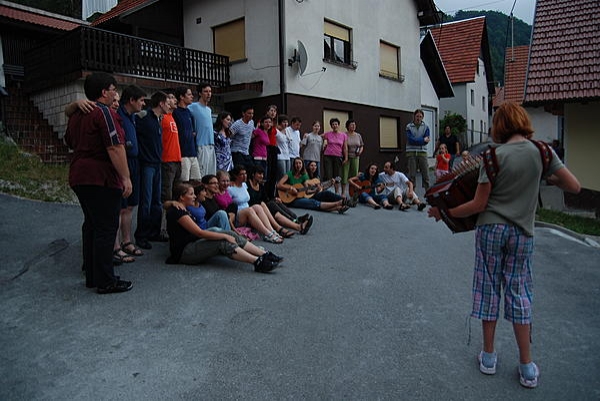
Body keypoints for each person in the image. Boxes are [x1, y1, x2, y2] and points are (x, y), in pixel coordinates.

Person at [427, 102, 581, 389]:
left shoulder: (492, 156)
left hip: (490, 229)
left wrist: (444, 212)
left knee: (488, 288)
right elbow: (574, 186)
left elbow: (478, 204)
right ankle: (527, 366)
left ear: (499, 126)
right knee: (519, 292)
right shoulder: (543, 151)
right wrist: (544, 175)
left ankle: (488, 357)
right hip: (523, 232)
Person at [64, 72, 133, 294]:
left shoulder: (77, 115)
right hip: (100, 177)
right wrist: (126, 177)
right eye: (113, 89)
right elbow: (114, 147)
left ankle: (92, 273)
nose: (116, 94)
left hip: (79, 175)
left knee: (92, 224)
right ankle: (106, 280)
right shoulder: (104, 113)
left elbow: (69, 141)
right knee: (106, 227)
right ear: (104, 92)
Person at [166, 182, 282, 273]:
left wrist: (225, 234)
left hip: (193, 242)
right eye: (191, 194)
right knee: (222, 241)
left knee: (228, 233)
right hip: (185, 252)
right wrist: (224, 237)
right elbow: (199, 233)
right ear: (181, 197)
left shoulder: (181, 207)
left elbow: (165, 204)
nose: (194, 196)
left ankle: (263, 254)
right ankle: (257, 262)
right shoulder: (178, 212)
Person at [135, 92, 169, 247]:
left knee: (157, 201)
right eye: (167, 102)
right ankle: (141, 235)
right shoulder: (143, 118)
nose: (169, 105)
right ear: (161, 103)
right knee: (146, 202)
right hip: (147, 164)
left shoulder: (158, 119)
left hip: (157, 164)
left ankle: (154, 232)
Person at [214, 170, 285, 243]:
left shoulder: (227, 190)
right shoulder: (218, 192)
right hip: (230, 219)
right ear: (218, 182)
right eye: (223, 181)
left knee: (258, 206)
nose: (226, 183)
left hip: (235, 214)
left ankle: (271, 230)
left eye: (227, 181)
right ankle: (268, 234)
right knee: (250, 210)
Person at [117, 85, 148, 252]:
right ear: (131, 100)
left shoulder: (133, 117)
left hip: (135, 162)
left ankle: (127, 241)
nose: (143, 104)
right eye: (141, 100)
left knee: (130, 205)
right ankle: (116, 246)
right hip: (124, 162)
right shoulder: (118, 116)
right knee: (120, 206)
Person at [246, 165, 313, 235]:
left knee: (276, 202)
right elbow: (250, 200)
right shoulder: (247, 185)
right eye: (259, 174)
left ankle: (295, 219)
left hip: (263, 206)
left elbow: (266, 198)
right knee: (274, 210)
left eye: (262, 174)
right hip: (256, 208)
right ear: (253, 174)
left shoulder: (260, 186)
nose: (262, 176)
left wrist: (275, 199)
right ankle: (298, 225)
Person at [278, 157, 349, 213]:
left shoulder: (304, 176)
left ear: (302, 165)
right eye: (296, 163)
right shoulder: (289, 174)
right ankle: (338, 203)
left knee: (321, 196)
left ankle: (338, 207)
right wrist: (290, 188)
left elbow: (307, 191)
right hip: (291, 199)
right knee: (313, 203)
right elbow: (279, 185)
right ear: (294, 165)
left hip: (301, 197)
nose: (298, 165)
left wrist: (316, 190)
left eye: (300, 163)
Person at [159, 91, 181, 241]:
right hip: (167, 161)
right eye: (171, 98)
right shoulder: (163, 118)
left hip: (177, 159)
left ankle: (173, 226)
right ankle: (163, 228)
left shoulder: (172, 117)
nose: (174, 100)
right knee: (166, 196)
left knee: (176, 194)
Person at [172, 86, 200, 181]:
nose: (192, 96)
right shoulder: (175, 112)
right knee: (184, 181)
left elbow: (193, 131)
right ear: (181, 97)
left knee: (197, 180)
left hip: (192, 152)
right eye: (189, 94)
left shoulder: (188, 112)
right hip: (183, 153)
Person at [188, 82, 217, 176]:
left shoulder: (209, 109)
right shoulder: (193, 106)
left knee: (211, 174)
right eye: (205, 91)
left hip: (211, 144)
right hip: (201, 145)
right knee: (202, 174)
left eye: (210, 91)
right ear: (200, 93)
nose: (208, 94)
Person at [405, 109, 431, 190]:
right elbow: (410, 140)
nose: (418, 118)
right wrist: (422, 140)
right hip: (411, 153)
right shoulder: (409, 127)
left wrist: (418, 141)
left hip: (422, 152)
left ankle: (428, 193)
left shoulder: (426, 127)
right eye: (417, 116)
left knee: (426, 174)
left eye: (420, 116)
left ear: (422, 117)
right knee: (411, 175)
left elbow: (426, 141)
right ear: (414, 116)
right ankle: (412, 194)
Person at [322, 117, 347, 195]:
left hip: (338, 156)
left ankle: (336, 192)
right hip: (328, 156)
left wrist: (346, 158)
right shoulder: (327, 134)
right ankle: (326, 192)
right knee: (328, 175)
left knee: (337, 176)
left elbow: (345, 147)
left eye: (336, 124)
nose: (334, 126)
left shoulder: (343, 135)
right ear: (331, 126)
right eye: (333, 124)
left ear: (338, 125)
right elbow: (318, 136)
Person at [341, 119, 364, 198]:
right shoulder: (344, 135)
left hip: (356, 157)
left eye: (354, 125)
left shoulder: (358, 135)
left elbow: (361, 146)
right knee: (344, 174)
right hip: (346, 157)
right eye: (351, 125)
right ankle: (343, 192)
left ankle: (353, 192)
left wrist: (360, 152)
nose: (353, 126)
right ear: (348, 126)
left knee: (354, 175)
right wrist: (345, 157)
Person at [229, 104, 255, 169]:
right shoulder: (237, 124)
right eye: (249, 113)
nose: (251, 115)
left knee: (252, 168)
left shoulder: (251, 122)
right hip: (237, 152)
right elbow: (229, 135)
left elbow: (251, 134)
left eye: (252, 113)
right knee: (240, 170)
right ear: (243, 113)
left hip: (246, 152)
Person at [275, 114, 291, 182]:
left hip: (287, 156)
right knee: (282, 175)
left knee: (287, 175)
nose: (285, 124)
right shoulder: (277, 131)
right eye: (284, 122)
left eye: (286, 122)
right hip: (280, 156)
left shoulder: (287, 131)